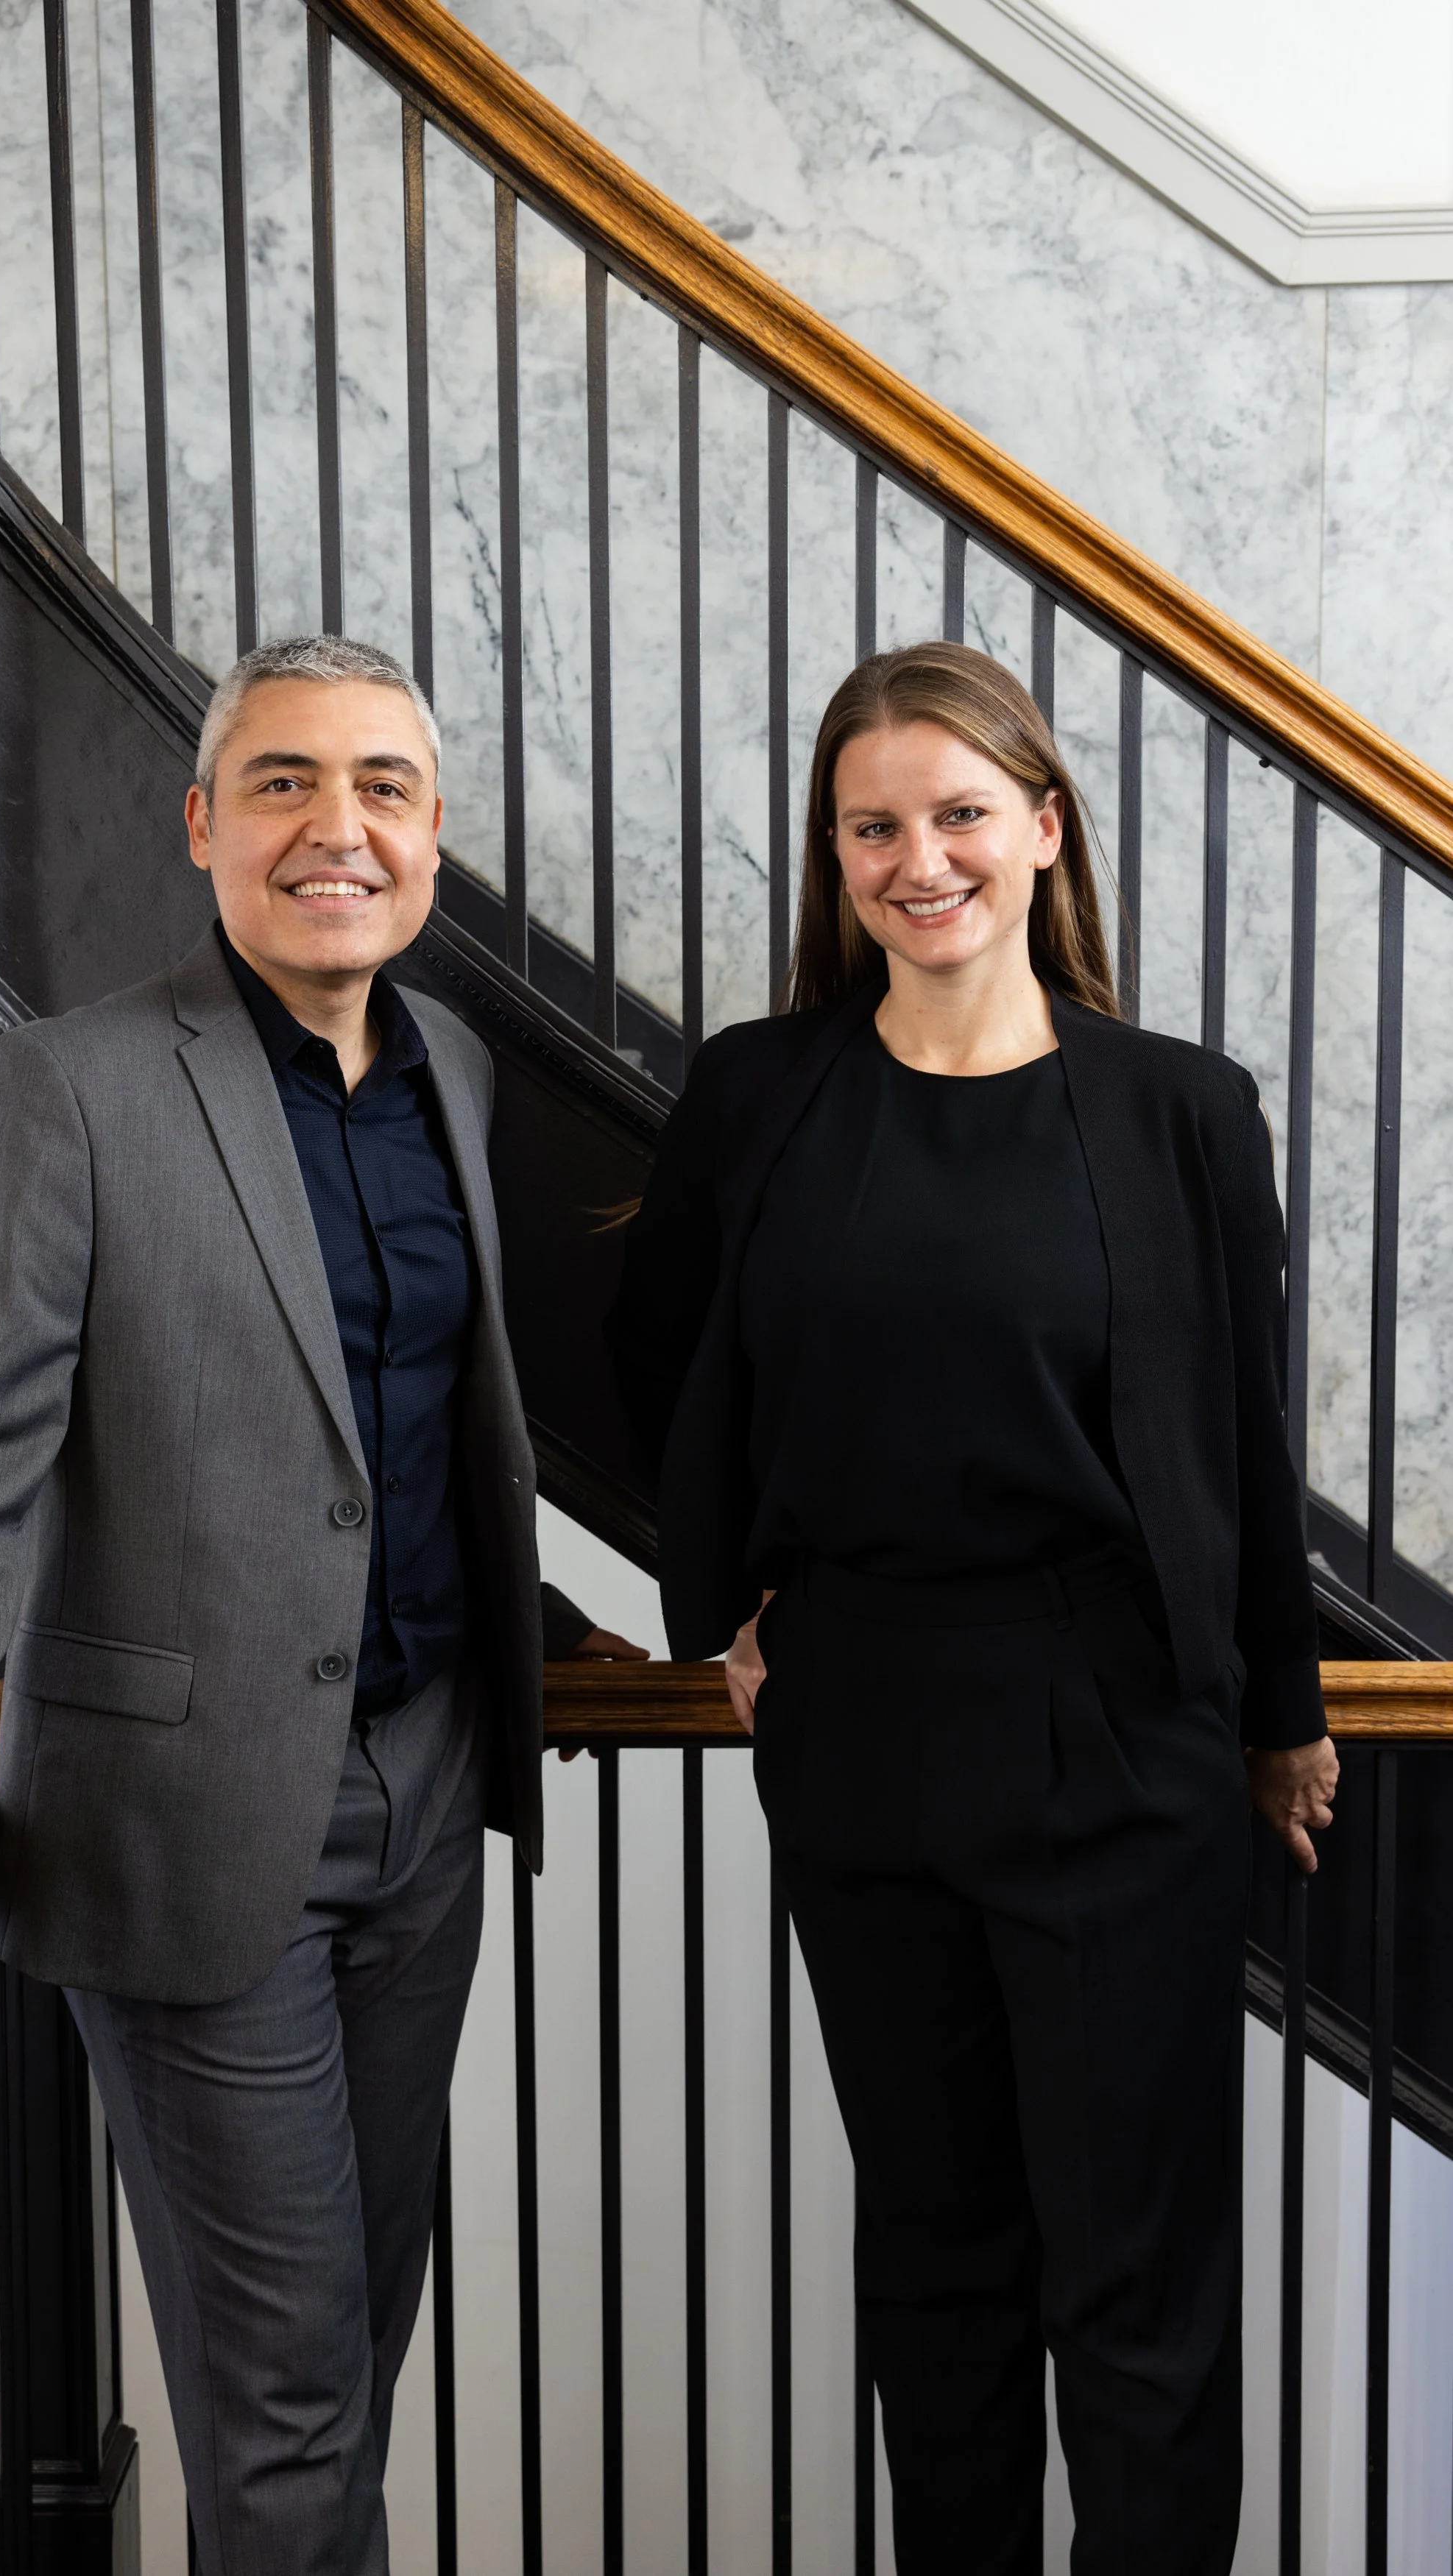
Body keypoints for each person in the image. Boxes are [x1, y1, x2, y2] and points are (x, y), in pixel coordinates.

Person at [0, 633, 642, 2576]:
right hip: (183, 1832)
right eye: (281, 782)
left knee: (348, 2348)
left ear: (429, 840)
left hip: (423, 1805)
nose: (332, 826)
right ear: (202, 823)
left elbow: (407, 1427)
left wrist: (550, 1643)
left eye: (380, 787)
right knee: (279, 2427)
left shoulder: (452, 1064)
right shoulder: (68, 1093)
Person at [607, 642, 1340, 2576]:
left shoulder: (1177, 1108)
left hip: (1120, 1725)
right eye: (872, 824)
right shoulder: (760, 1097)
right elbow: (651, 1358)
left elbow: (1237, 1441)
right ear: (832, 857)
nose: (915, 855)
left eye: (953, 812)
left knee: (1136, 2282)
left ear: (1040, 826)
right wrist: (730, 1611)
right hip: (862, 1725)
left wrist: (1279, 1705)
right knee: (933, 2262)